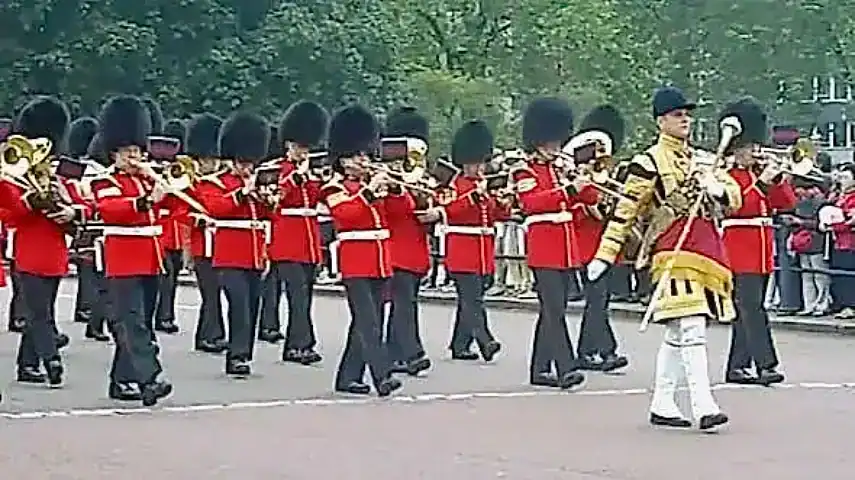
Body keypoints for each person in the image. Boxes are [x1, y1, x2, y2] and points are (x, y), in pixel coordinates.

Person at [587, 86, 738, 431]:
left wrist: (715, 187)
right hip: (672, 250)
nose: (684, 119)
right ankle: (703, 404)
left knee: (677, 331)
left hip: (706, 251)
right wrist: (605, 255)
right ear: (660, 121)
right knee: (692, 325)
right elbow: (626, 212)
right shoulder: (648, 162)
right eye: (676, 115)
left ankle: (663, 401)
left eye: (687, 114)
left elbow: (734, 197)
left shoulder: (704, 158)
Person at [90, 95, 173, 405]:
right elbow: (112, 210)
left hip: (151, 258)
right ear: (115, 154)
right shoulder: (105, 180)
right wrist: (149, 199)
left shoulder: (146, 181)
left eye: (138, 151)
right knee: (133, 322)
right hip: (123, 258)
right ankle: (150, 377)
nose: (135, 157)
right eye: (128, 152)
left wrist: (164, 188)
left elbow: (175, 206)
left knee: (141, 321)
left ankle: (122, 380)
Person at [320, 104, 402, 397]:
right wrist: (370, 191)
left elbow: (400, 213)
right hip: (354, 260)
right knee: (369, 322)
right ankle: (383, 375)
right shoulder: (333, 186)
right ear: (342, 160)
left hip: (380, 259)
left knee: (368, 320)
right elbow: (345, 214)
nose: (363, 160)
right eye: (356, 155)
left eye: (365, 155)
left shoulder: (374, 184)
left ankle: (348, 376)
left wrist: (397, 190)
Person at [0, 96, 80, 387]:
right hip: (27, 250)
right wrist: (30, 201)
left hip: (55, 251)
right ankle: (51, 360)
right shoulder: (10, 177)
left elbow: (77, 209)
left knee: (42, 308)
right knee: (39, 311)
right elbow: (8, 215)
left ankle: (27, 364)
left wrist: (68, 211)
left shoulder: (56, 177)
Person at [512, 97, 587, 388]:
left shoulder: (559, 169)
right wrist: (568, 189)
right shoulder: (525, 170)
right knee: (555, 310)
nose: (556, 147)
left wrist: (584, 180)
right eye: (551, 142)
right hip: (544, 249)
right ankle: (566, 367)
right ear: (538, 141)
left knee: (552, 310)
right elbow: (531, 203)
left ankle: (539, 368)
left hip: (565, 249)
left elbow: (587, 198)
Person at [720, 97, 795, 386]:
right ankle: (766, 364)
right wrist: (762, 182)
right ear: (737, 148)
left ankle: (737, 366)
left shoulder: (755, 174)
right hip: (738, 248)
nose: (755, 151)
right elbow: (739, 205)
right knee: (752, 308)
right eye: (750, 147)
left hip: (761, 248)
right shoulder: (726, 175)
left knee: (747, 309)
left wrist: (778, 180)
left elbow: (784, 204)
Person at [196, 111, 271, 376]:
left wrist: (267, 199)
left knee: (252, 306)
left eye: (251, 163)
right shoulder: (213, 183)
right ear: (230, 159)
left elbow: (265, 216)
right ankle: (236, 355)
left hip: (254, 254)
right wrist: (242, 193)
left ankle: (245, 353)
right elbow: (217, 207)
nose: (247, 168)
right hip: (228, 254)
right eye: (242, 162)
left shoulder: (253, 183)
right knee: (238, 304)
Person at [437, 120, 508, 361]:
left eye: (481, 163)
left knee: (470, 299)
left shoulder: (484, 185)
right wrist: (472, 197)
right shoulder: (454, 184)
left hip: (483, 250)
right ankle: (485, 340)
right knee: (472, 299)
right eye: (474, 163)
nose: (478, 168)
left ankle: (460, 344)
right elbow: (448, 209)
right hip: (461, 248)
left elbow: (498, 215)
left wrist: (501, 202)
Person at [568, 105, 630, 373]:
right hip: (583, 245)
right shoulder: (573, 179)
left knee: (599, 299)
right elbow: (576, 209)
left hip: (603, 245)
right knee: (597, 298)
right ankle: (601, 351)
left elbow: (607, 211)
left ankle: (592, 351)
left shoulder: (600, 179)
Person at [268, 101, 329, 364]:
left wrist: (321, 180)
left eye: (305, 148)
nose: (302, 152)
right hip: (287, 239)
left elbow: (318, 200)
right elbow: (275, 198)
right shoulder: (276, 170)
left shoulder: (311, 172)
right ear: (288, 146)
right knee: (297, 294)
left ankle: (301, 343)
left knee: (306, 294)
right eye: (298, 147)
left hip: (309, 239)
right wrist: (295, 178)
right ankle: (297, 345)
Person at [382, 106, 432, 376]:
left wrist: (432, 211)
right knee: (404, 304)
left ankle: (394, 353)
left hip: (414, 248)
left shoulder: (419, 178)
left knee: (405, 302)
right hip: (394, 247)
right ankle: (413, 353)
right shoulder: (384, 179)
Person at [185, 113, 228, 353]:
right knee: (210, 292)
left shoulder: (217, 183)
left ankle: (208, 334)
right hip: (201, 243)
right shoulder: (189, 183)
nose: (210, 164)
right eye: (206, 160)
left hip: (220, 242)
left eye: (212, 159)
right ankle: (211, 335)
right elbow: (182, 214)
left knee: (215, 292)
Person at [65, 116, 111, 341]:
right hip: (94, 231)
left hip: (97, 231)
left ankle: (91, 316)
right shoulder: (93, 173)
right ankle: (94, 319)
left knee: (94, 277)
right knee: (98, 278)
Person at [152, 117, 186, 335]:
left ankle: (167, 314)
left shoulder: (178, 172)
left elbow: (183, 203)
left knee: (172, 278)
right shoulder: (150, 173)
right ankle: (161, 316)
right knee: (163, 278)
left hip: (175, 235)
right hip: (159, 233)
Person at [258, 124, 285, 344]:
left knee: (275, 283)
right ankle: (265, 323)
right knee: (265, 282)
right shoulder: (268, 174)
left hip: (278, 231)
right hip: (264, 233)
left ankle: (270, 323)